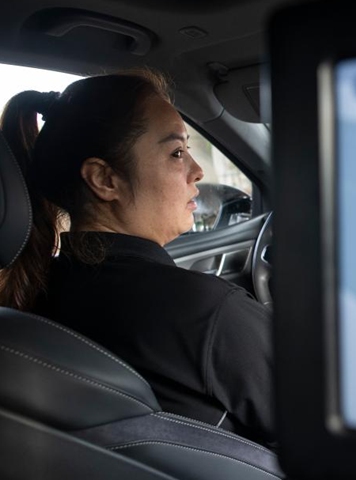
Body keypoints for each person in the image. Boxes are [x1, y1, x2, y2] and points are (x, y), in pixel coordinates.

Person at [0, 71, 274, 446]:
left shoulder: (36, 294)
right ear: (104, 179)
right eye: (177, 152)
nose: (197, 172)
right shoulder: (203, 311)